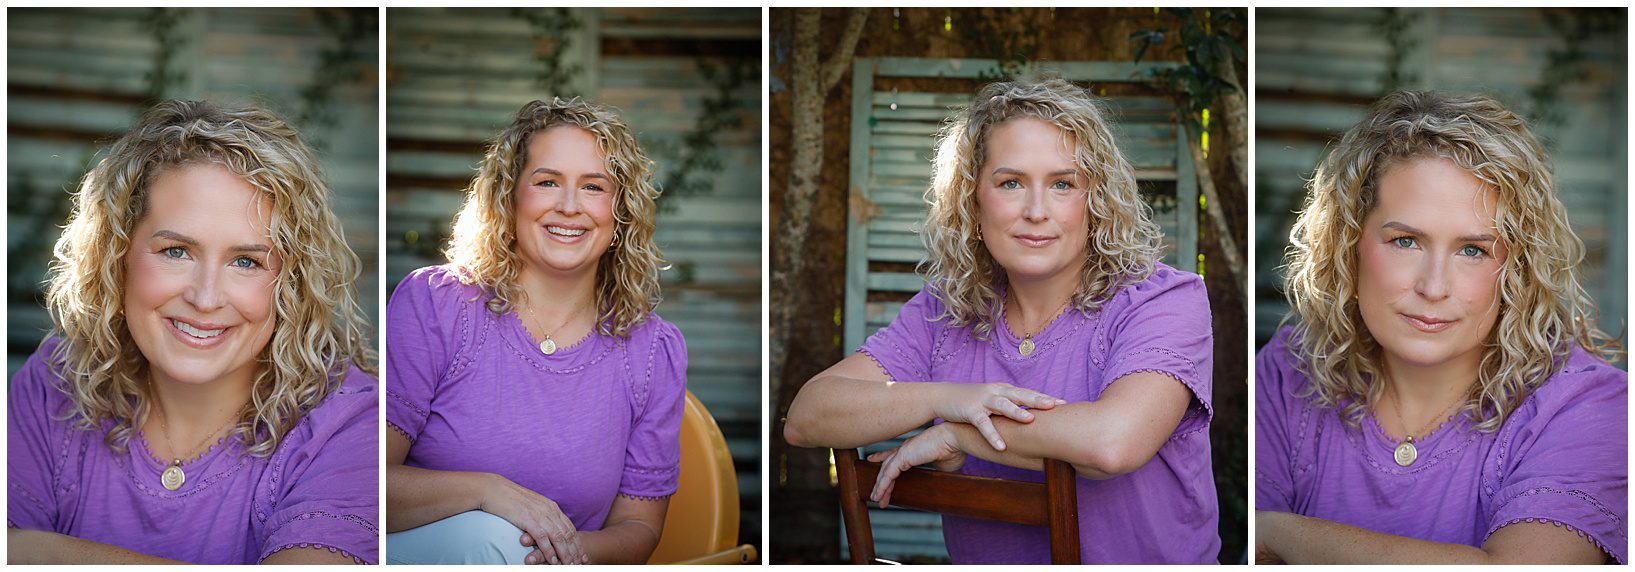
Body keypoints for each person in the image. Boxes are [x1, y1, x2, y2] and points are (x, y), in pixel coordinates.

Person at [783, 78, 1219, 564]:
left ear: (1095, 201)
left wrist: (959, 432)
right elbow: (808, 417)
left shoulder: (1161, 301)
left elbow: (1113, 443)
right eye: (1011, 183)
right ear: (972, 201)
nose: (1036, 211)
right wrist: (953, 399)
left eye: (1062, 184)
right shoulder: (946, 312)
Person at [1255, 91, 1626, 564]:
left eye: (1473, 250)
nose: (1433, 287)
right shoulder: (1291, 369)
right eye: (1406, 240)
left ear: (1517, 268)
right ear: (1348, 244)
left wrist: (1275, 534)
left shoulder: (1588, 405)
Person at [7, 101, 379, 564]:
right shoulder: (58, 380)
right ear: (116, 252)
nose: (206, 299)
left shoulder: (348, 421)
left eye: (246, 262)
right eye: (176, 251)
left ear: (292, 282)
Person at [385, 98, 685, 565]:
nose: (569, 207)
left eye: (593, 187)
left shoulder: (651, 350)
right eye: (547, 182)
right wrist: (485, 493)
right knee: (483, 539)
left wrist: (553, 555)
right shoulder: (437, 306)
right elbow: (363, 482)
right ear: (509, 196)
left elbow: (640, 527)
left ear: (620, 211)